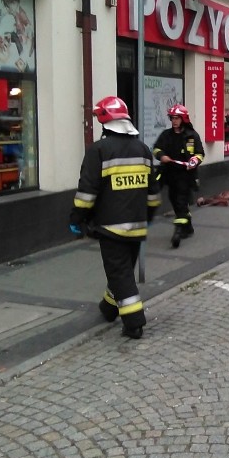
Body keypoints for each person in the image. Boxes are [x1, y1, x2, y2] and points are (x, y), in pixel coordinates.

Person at [69, 96, 161, 339]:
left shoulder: (98, 151)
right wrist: (148, 217)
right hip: (137, 225)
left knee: (119, 273)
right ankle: (109, 308)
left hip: (111, 228)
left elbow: (87, 193)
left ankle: (134, 322)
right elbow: (153, 193)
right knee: (122, 271)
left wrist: (77, 218)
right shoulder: (143, 149)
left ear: (104, 122)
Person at [153, 104, 205, 248]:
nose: (174, 121)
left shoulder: (192, 136)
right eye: (172, 118)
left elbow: (200, 153)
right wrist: (161, 156)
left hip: (185, 175)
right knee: (174, 200)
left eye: (177, 118)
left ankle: (178, 232)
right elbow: (156, 148)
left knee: (181, 202)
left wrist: (193, 161)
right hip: (169, 174)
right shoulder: (166, 135)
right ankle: (188, 228)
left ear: (183, 119)